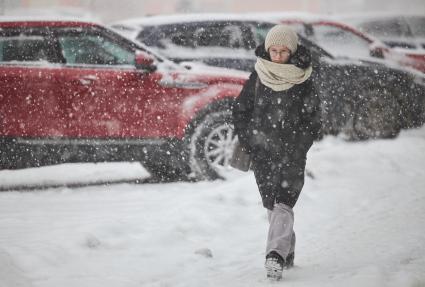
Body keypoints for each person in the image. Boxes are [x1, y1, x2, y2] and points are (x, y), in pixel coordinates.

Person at [232, 24, 321, 281]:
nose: (278, 56)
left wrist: (299, 145)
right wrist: (250, 141)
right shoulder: (259, 75)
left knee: (284, 201)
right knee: (272, 205)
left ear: (292, 51)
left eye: (283, 51)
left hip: (292, 154)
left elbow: (313, 120)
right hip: (262, 153)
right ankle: (287, 249)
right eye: (274, 50)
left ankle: (275, 255)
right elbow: (240, 111)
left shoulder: (303, 79)